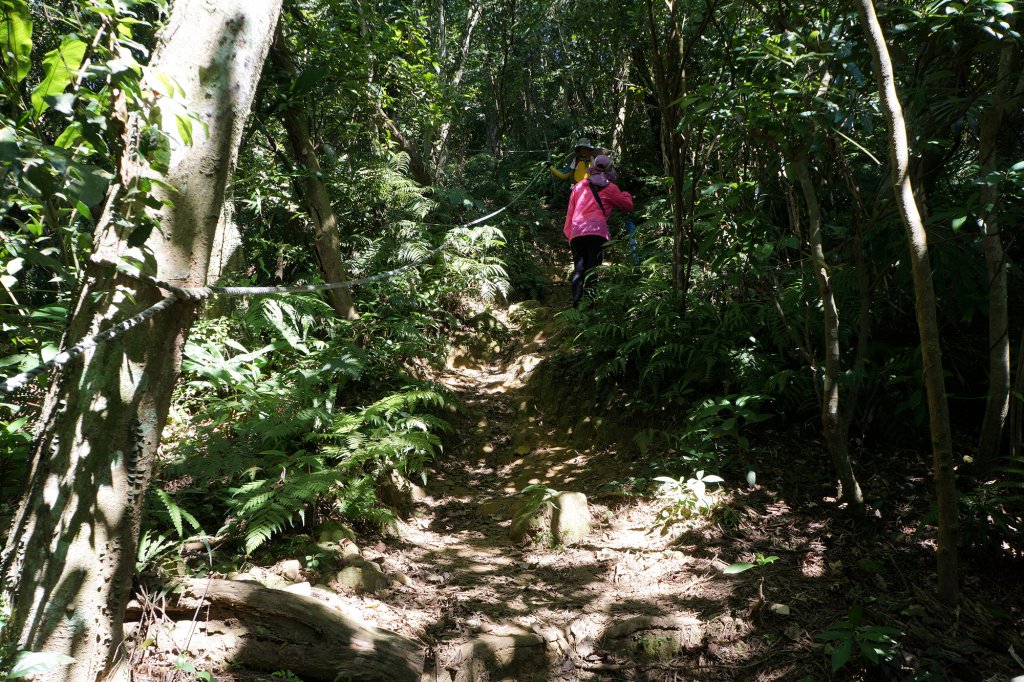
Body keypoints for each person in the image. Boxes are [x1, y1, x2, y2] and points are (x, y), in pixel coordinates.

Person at [563, 155, 633, 308]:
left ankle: (576, 308)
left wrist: (569, 234)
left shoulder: (579, 186)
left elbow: (570, 212)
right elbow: (627, 206)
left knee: (579, 271)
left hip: (577, 231)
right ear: (609, 169)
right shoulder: (611, 188)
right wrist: (627, 195)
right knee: (592, 270)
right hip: (597, 232)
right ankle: (589, 308)